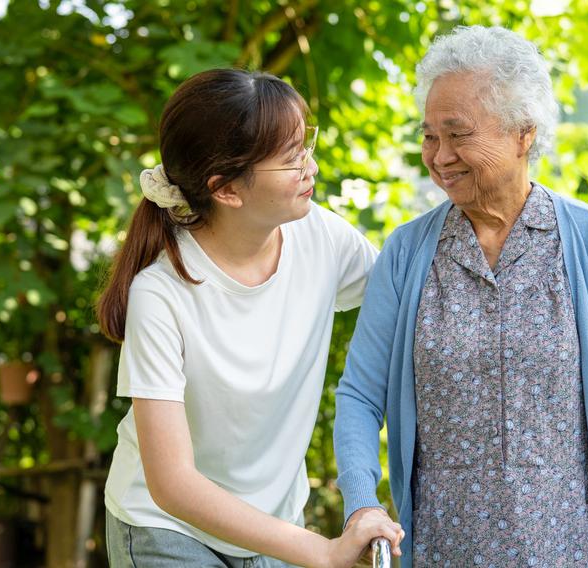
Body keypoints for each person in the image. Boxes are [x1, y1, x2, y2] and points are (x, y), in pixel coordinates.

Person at [333, 26, 588, 567]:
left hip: (576, 550)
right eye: (429, 137)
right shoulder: (407, 253)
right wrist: (361, 504)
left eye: (458, 134)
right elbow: (360, 397)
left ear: (523, 134)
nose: (440, 156)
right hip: (446, 551)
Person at [97, 68, 404, 568]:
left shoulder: (324, 239)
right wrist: (319, 551)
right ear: (226, 190)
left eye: (306, 147)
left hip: (272, 527)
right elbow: (172, 484)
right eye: (290, 159)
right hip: (167, 529)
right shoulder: (161, 294)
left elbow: (411, 307)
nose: (310, 167)